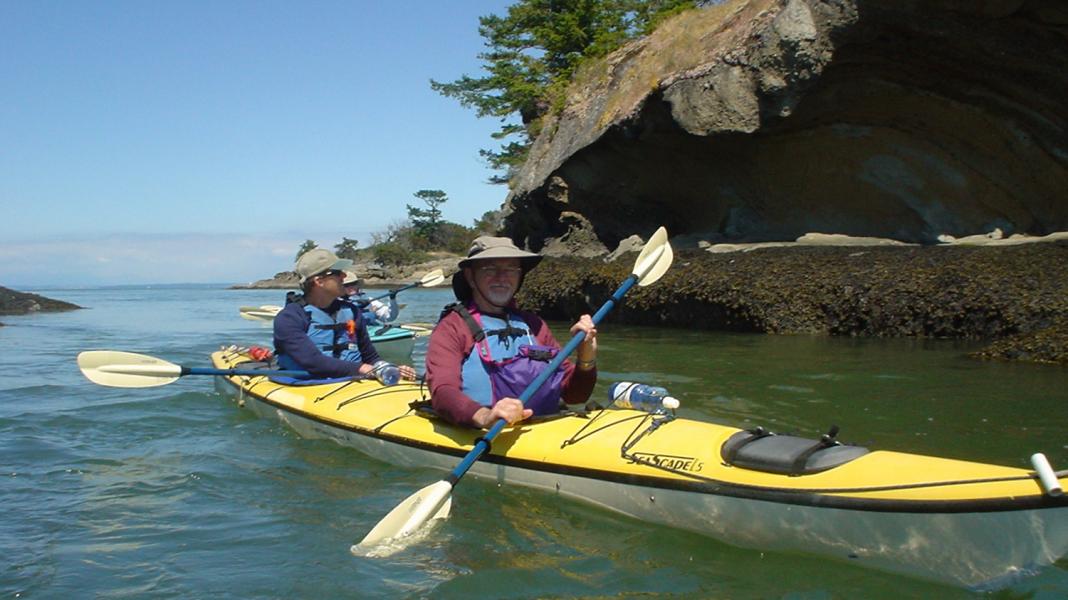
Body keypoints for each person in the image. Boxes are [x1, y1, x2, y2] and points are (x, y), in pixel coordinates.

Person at [425, 236, 598, 428]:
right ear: (470, 276)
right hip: (484, 430)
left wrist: (586, 358)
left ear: (520, 275)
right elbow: (442, 391)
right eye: (490, 269)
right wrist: (484, 417)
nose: (502, 277)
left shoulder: (534, 325)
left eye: (511, 269)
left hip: (544, 428)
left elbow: (575, 395)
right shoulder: (452, 327)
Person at [273, 248, 416, 381]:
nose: (344, 276)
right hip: (307, 384)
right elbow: (313, 361)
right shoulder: (289, 318)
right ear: (319, 281)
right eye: (337, 273)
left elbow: (370, 356)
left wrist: (386, 367)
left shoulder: (352, 311)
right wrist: (363, 369)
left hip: (351, 381)